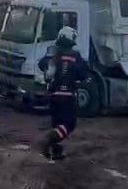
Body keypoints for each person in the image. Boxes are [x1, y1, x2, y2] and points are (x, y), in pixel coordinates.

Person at [38, 26, 89, 161]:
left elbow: (41, 65)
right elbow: (83, 74)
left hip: (53, 96)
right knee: (69, 124)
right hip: (67, 96)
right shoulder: (75, 55)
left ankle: (56, 151)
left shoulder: (52, 53)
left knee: (58, 124)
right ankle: (48, 141)